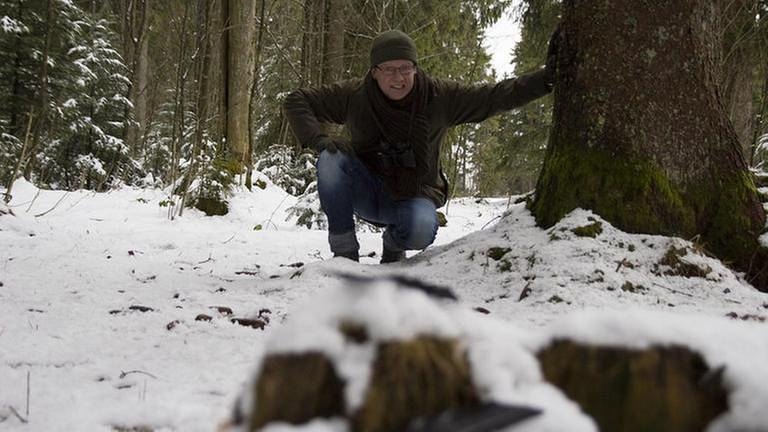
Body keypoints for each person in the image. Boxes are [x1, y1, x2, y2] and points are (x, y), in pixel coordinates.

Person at [284, 29, 557, 264]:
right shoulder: (356, 95)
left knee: (422, 227)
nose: (398, 77)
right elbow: (298, 100)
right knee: (331, 160)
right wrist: (318, 139)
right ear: (375, 72)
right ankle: (344, 255)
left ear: (415, 67)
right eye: (389, 69)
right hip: (367, 191)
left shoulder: (439, 97)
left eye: (405, 68)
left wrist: (545, 80)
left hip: (414, 195)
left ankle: (394, 244)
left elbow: (493, 97)